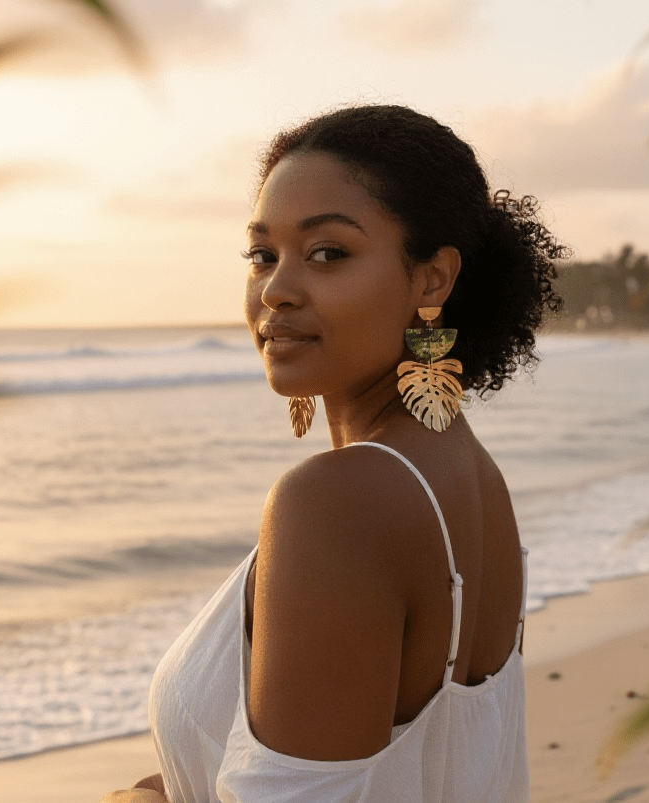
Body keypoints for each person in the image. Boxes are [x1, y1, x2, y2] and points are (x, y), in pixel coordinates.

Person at [100, 104, 565, 803]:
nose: (277, 290)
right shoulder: (472, 476)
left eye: (327, 254)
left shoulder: (337, 501)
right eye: (263, 254)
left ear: (431, 280)